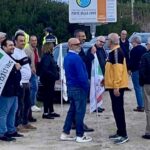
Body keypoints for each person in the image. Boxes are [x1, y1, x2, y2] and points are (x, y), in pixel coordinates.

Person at [60, 38, 92, 143]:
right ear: (70, 45)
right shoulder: (76, 58)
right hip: (79, 87)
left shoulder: (67, 57)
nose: (79, 45)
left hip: (71, 87)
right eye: (76, 44)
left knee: (72, 111)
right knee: (80, 112)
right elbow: (81, 76)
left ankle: (65, 133)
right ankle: (80, 134)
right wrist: (87, 87)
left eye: (79, 44)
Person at [105, 33, 129, 144]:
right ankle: (119, 131)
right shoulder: (113, 52)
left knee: (118, 110)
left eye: (107, 40)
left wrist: (116, 86)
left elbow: (118, 72)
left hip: (117, 86)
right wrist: (105, 80)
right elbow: (111, 70)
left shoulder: (116, 53)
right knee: (116, 109)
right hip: (113, 85)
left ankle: (123, 134)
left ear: (111, 41)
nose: (106, 41)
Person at [12, 33, 36, 132]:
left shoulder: (23, 52)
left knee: (27, 103)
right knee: (20, 105)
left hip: (27, 82)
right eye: (21, 41)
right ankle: (18, 124)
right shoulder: (14, 53)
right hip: (21, 83)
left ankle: (25, 122)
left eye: (24, 41)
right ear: (16, 42)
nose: (23, 42)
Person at [0, 39, 23, 141]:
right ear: (4, 47)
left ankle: (11, 130)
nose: (13, 47)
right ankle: (2, 133)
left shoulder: (11, 58)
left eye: (13, 45)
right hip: (6, 91)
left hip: (14, 90)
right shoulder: (2, 59)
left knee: (12, 111)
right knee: (4, 113)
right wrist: (15, 68)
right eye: (10, 45)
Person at [73, 29, 94, 132]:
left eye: (84, 36)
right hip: (79, 82)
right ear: (77, 37)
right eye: (82, 36)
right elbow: (82, 62)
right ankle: (79, 124)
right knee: (80, 104)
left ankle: (75, 122)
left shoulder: (79, 49)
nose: (84, 38)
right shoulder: (75, 50)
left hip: (81, 80)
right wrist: (91, 54)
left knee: (77, 104)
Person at [40, 41, 60, 119]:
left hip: (50, 79)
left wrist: (56, 68)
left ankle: (51, 111)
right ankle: (45, 112)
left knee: (51, 95)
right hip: (47, 79)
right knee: (47, 95)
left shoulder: (50, 56)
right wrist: (53, 75)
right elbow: (45, 69)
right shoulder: (46, 57)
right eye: (52, 47)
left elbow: (52, 66)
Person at [86, 36, 107, 113]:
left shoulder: (102, 49)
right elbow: (88, 60)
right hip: (94, 74)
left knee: (100, 90)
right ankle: (94, 106)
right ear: (97, 41)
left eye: (103, 42)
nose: (102, 43)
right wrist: (92, 53)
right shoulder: (92, 49)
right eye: (100, 42)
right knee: (94, 90)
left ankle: (98, 105)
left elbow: (104, 60)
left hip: (101, 74)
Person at [129, 35, 147, 112]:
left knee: (137, 88)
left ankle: (141, 106)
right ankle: (145, 104)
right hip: (144, 71)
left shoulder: (133, 50)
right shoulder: (144, 49)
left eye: (132, 42)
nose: (132, 43)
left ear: (135, 41)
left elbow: (132, 62)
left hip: (136, 71)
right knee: (143, 88)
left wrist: (129, 69)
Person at [24, 35, 41, 113]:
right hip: (30, 71)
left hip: (35, 71)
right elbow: (26, 61)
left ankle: (32, 104)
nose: (34, 42)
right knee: (34, 88)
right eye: (33, 40)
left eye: (35, 40)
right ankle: (32, 105)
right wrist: (31, 69)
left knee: (34, 88)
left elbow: (36, 59)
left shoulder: (36, 49)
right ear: (29, 41)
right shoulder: (27, 50)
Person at [139, 38, 150, 139]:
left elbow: (142, 72)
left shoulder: (145, 56)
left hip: (147, 84)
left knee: (148, 108)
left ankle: (149, 131)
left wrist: (142, 82)